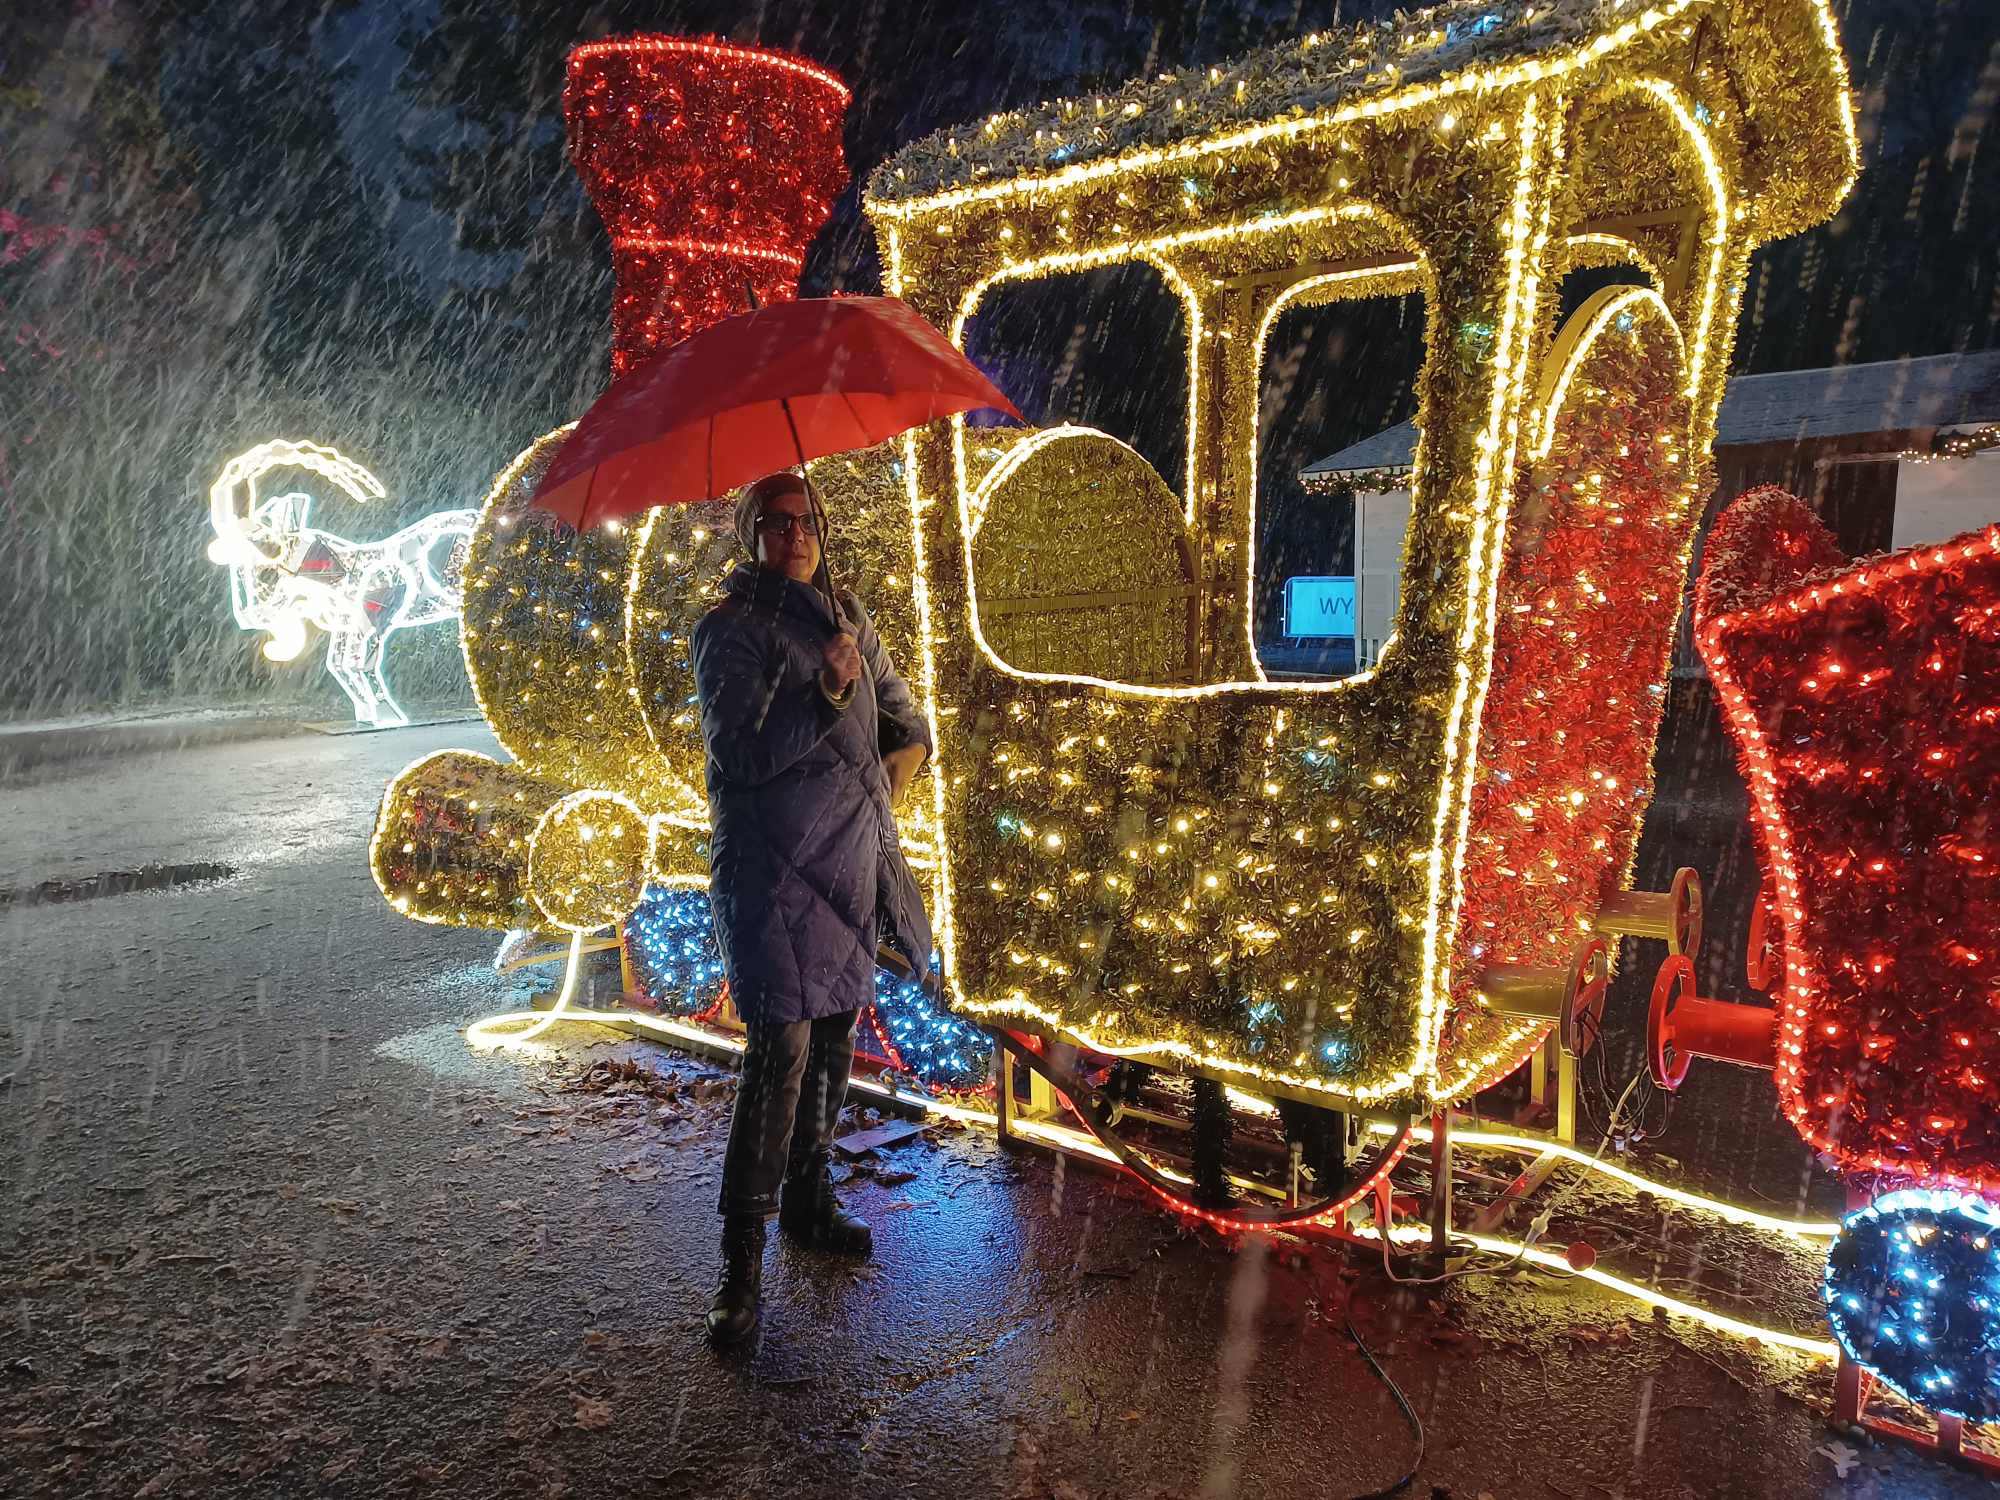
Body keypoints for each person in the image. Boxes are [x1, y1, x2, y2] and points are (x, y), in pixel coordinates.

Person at [690, 468, 932, 1346]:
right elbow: (745, 759)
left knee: (833, 1039)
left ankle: (810, 1201)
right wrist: (826, 694)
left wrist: (886, 781)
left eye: (808, 521)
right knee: (778, 1057)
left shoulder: (848, 617)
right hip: (771, 874)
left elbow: (909, 724)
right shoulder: (727, 631)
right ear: (751, 534)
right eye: (777, 522)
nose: (796, 535)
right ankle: (740, 1271)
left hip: (848, 864)